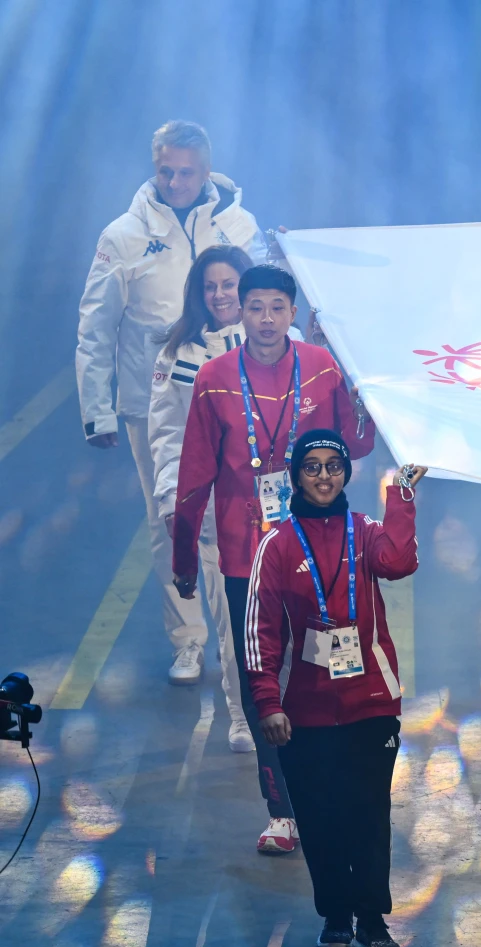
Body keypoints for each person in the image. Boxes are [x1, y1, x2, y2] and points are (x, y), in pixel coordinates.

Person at [172, 264, 375, 854]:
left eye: (276, 308)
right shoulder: (213, 379)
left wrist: (360, 391)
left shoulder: (322, 367)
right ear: (237, 309)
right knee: (264, 679)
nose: (264, 319)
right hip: (246, 557)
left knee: (329, 668)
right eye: (253, 306)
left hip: (321, 549)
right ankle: (282, 812)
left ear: (292, 312)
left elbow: (357, 444)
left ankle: (331, 789)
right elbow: (193, 478)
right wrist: (186, 559)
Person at [74, 120, 271, 686]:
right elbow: (95, 325)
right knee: (169, 521)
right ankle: (189, 641)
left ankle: (257, 636)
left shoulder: (238, 224)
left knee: (254, 517)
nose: (176, 181)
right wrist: (97, 408)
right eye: (166, 171)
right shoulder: (123, 236)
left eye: (187, 172)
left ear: (207, 172)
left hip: (241, 399)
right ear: (153, 167)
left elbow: (265, 298)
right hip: (155, 401)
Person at [246, 430, 423, 947]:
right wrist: (268, 704)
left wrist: (402, 496)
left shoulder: (366, 532)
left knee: (368, 816)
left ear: (346, 474)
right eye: (312, 467)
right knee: (321, 818)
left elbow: (400, 562)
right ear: (297, 476)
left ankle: (372, 924)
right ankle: (336, 916)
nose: (323, 477)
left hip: (372, 703)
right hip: (307, 714)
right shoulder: (275, 547)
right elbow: (260, 633)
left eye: (333, 467)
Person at [150, 244, 257, 752]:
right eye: (209, 286)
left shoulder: (291, 344)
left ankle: (286, 709)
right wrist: (174, 501)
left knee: (289, 624)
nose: (219, 295)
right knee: (235, 623)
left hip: (285, 517)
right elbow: (167, 435)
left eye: (229, 284)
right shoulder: (178, 354)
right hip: (219, 517)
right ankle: (242, 716)